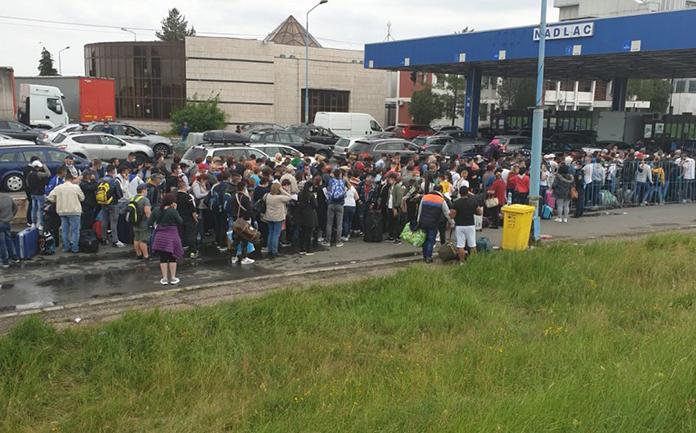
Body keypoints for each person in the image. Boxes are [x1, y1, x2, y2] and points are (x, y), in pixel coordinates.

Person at [149, 193, 184, 285]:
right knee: (172, 257)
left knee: (163, 258)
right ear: (172, 202)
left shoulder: (156, 210)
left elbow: (150, 221)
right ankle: (173, 278)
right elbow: (180, 221)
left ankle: (164, 278)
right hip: (172, 235)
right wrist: (175, 210)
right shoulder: (173, 211)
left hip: (160, 236)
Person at [46, 173, 85, 254]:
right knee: (75, 230)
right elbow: (82, 198)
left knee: (64, 231)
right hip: (74, 211)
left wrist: (58, 200)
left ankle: (66, 247)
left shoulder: (58, 188)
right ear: (71, 179)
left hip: (62, 211)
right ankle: (75, 248)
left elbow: (50, 197)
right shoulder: (75, 187)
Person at [417, 187, 454, 263]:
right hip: (433, 223)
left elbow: (420, 211)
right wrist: (452, 223)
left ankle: (424, 256)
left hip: (423, 222)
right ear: (440, 192)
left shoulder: (425, 197)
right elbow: (447, 213)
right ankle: (428, 257)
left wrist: (418, 221)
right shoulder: (441, 200)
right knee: (431, 240)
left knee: (424, 239)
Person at [451, 186, 482, 263]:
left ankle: (462, 262)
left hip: (459, 225)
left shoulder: (456, 203)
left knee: (460, 245)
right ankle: (474, 261)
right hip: (470, 225)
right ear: (467, 192)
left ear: (459, 193)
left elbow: (452, 215)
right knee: (472, 244)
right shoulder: (473, 201)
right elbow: (480, 212)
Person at [263, 182, 292, 259]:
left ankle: (269, 250)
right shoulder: (280, 198)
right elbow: (290, 197)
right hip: (278, 217)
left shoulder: (267, 195)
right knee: (276, 234)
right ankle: (274, 251)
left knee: (270, 233)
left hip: (269, 216)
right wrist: (282, 190)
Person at [98, 165, 125, 247]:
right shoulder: (114, 181)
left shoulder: (101, 180)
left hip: (103, 203)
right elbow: (120, 194)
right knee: (114, 222)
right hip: (113, 204)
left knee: (104, 221)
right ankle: (115, 240)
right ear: (113, 171)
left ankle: (103, 239)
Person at [230, 182, 254, 265]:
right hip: (244, 220)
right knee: (245, 239)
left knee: (236, 239)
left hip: (236, 220)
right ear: (244, 188)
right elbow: (249, 210)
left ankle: (234, 257)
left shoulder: (233, 197)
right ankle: (244, 257)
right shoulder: (245, 198)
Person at [323, 169, 347, 247]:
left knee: (329, 223)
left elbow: (328, 190)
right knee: (339, 224)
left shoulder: (331, 181)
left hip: (331, 203)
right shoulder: (342, 182)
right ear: (340, 174)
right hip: (340, 204)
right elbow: (345, 190)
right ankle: (338, 241)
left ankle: (328, 241)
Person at [175, 179, 199, 259]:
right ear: (184, 187)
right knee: (191, 235)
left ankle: (180, 250)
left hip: (178, 218)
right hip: (188, 219)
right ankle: (193, 251)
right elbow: (192, 210)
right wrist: (195, 219)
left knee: (180, 234)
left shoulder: (174, 196)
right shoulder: (188, 197)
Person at [26, 160, 51, 230]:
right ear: (37, 167)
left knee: (34, 209)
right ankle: (41, 224)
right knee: (41, 209)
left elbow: (27, 184)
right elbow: (48, 174)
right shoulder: (39, 174)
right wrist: (44, 166)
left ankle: (33, 223)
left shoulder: (29, 174)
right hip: (40, 193)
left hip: (32, 193)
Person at [297, 180, 318, 255]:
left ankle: (302, 248)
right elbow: (315, 205)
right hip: (309, 215)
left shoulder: (300, 194)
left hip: (301, 215)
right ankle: (308, 249)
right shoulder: (311, 195)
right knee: (308, 234)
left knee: (302, 233)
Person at [131, 184, 152, 260]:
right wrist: (151, 221)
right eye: (146, 190)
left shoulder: (133, 198)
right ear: (143, 190)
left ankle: (138, 254)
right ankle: (146, 256)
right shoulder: (145, 200)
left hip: (135, 221)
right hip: (143, 222)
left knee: (136, 238)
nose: (147, 191)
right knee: (143, 240)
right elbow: (147, 212)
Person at [0, 192, 18, 268]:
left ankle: (5, 262)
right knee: (9, 239)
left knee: (2, 243)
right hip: (7, 222)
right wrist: (11, 216)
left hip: (0, 222)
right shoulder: (7, 196)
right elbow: (15, 207)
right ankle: (14, 257)